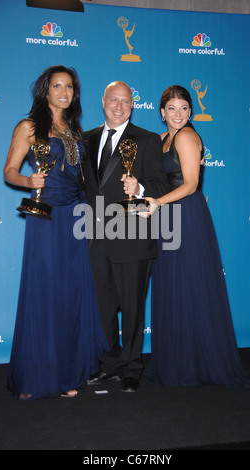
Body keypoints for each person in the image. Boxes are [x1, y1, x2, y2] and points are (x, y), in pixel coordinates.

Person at [4, 65, 109, 400]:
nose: (64, 92)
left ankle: (68, 374)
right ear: (45, 91)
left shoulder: (74, 130)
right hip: (46, 216)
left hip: (75, 215)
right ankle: (37, 375)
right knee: (46, 293)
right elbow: (9, 170)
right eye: (57, 86)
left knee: (72, 294)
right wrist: (27, 181)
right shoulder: (30, 126)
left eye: (69, 87)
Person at [143, 85, 250, 391]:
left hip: (186, 216)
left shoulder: (188, 136)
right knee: (173, 286)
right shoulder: (161, 139)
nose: (178, 115)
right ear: (162, 111)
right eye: (172, 109)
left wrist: (157, 203)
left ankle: (198, 362)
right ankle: (179, 359)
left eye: (184, 109)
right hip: (167, 217)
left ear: (191, 112)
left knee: (190, 285)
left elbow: (191, 184)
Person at [83, 81, 170, 392]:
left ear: (133, 105)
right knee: (103, 306)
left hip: (133, 234)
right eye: (113, 100)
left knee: (132, 307)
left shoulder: (146, 140)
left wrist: (141, 190)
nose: (118, 106)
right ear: (103, 101)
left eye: (125, 101)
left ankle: (131, 367)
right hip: (95, 236)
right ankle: (109, 362)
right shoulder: (86, 139)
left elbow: (161, 186)